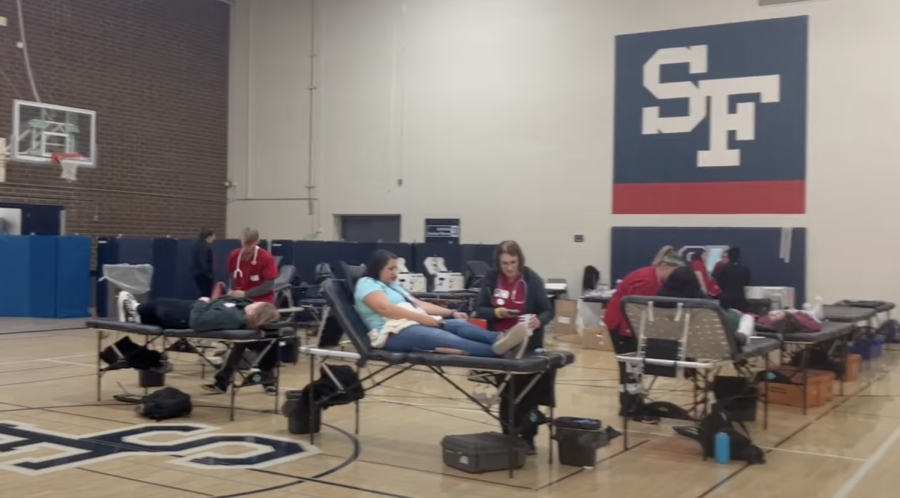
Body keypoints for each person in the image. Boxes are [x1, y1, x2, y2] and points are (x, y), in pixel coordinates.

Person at [354, 250, 529, 358]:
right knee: (445, 338)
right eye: (391, 269)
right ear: (378, 269)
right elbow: (386, 309)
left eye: (396, 268)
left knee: (459, 325)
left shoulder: (393, 286)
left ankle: (500, 339)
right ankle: (500, 351)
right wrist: (422, 320)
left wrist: (451, 313)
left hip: (411, 322)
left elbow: (418, 304)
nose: (395, 273)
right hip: (391, 333)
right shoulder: (367, 283)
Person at [116, 290, 282, 395]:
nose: (255, 303)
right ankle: (136, 312)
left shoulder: (232, 317)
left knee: (160, 305)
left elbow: (197, 322)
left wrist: (202, 302)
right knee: (163, 302)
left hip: (185, 317)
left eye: (257, 304)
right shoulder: (241, 310)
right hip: (190, 308)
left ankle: (135, 312)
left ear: (255, 312)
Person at [475, 240, 555, 455]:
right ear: (498, 264)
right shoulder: (491, 278)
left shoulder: (531, 278)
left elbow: (548, 310)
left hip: (528, 344)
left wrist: (540, 320)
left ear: (520, 260)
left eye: (513, 262)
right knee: (507, 393)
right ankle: (508, 436)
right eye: (504, 263)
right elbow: (479, 309)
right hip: (500, 342)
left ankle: (528, 439)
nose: (509, 268)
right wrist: (498, 313)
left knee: (528, 394)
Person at [603, 245, 683, 424]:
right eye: (673, 271)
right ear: (663, 265)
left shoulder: (656, 279)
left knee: (635, 368)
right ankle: (631, 408)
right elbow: (634, 311)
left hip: (629, 326)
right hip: (621, 324)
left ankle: (635, 403)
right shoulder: (646, 280)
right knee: (629, 367)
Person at [228, 227, 279, 305]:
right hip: (239, 299)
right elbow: (233, 277)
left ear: (257, 242)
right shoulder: (234, 256)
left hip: (261, 300)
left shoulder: (266, 258)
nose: (247, 248)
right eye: (245, 244)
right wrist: (231, 291)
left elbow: (268, 286)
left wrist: (245, 294)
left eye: (250, 244)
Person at [715, 247, 751, 312]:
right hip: (740, 298)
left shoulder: (724, 269)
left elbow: (719, 283)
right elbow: (746, 283)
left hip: (726, 298)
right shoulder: (745, 270)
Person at [191, 228, 216, 298]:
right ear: (208, 237)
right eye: (213, 236)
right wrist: (209, 275)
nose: (214, 238)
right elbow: (203, 262)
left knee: (201, 294)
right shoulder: (206, 247)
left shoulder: (197, 246)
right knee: (206, 295)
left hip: (198, 275)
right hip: (205, 277)